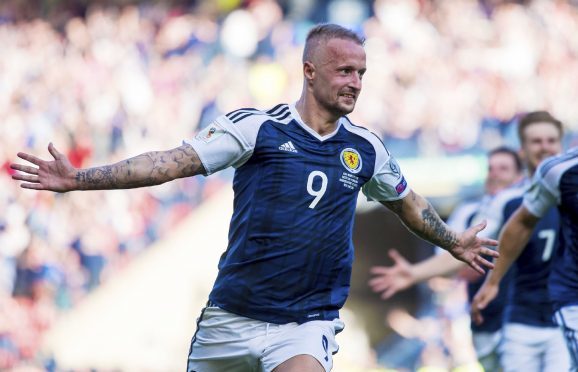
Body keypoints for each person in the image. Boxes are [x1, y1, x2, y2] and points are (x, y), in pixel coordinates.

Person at [10, 24, 498, 372]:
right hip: (232, 318)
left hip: (304, 324)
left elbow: (407, 202)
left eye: (361, 73)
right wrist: (81, 179)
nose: (354, 83)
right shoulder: (257, 128)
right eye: (344, 71)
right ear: (309, 71)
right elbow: (166, 164)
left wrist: (452, 241)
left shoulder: (365, 148)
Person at [369, 146, 524, 371]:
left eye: (503, 168)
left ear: (519, 176)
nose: (495, 173)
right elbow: (456, 264)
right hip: (484, 317)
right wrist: (418, 272)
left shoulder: (530, 206)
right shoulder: (470, 212)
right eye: (490, 168)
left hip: (524, 315)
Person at [471, 112, 572, 372]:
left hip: (566, 313)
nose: (545, 147)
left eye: (551, 140)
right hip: (521, 316)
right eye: (536, 141)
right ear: (523, 150)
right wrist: (492, 283)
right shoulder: (509, 202)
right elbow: (473, 246)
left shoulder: (570, 181)